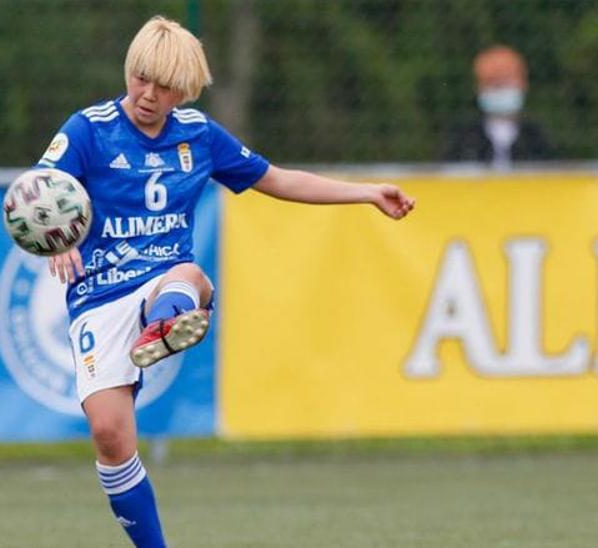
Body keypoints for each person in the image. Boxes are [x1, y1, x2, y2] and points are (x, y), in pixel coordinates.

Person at [36, 16, 415, 548]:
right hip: (99, 295)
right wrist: (62, 237)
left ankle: (166, 322)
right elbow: (39, 192)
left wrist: (367, 192)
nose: (148, 93)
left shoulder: (199, 135)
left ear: (184, 90)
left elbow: (277, 179)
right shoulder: (89, 128)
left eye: (164, 85)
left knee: (191, 276)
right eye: (141, 77)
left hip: (163, 279)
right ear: (129, 70)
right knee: (109, 434)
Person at [444, 45, 553, 170]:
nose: (499, 89)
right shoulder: (462, 137)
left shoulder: (537, 136)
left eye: (505, 81)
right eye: (492, 82)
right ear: (478, 87)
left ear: (523, 83)